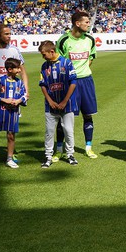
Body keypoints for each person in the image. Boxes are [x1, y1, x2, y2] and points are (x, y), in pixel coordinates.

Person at [56, 10, 98, 159]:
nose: (89, 24)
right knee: (64, 117)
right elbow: (58, 63)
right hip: (68, 83)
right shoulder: (63, 40)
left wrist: (82, 71)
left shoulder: (90, 40)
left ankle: (88, 147)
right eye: (86, 22)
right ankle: (59, 149)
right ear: (77, 23)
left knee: (88, 115)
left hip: (86, 81)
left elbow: (91, 58)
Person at [38, 40, 78, 168]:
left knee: (68, 130)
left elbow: (73, 82)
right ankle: (48, 156)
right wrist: (50, 100)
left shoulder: (67, 63)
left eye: (44, 54)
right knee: (49, 131)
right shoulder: (44, 66)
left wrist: (65, 101)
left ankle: (70, 154)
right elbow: (43, 85)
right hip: (50, 105)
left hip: (67, 104)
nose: (43, 57)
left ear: (52, 51)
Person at [0, 58, 27, 171]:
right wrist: (4, 100)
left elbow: (24, 95)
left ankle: (10, 158)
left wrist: (18, 101)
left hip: (13, 112)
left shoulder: (19, 82)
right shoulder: (0, 81)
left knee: (11, 135)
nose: (19, 70)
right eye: (17, 68)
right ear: (10, 69)